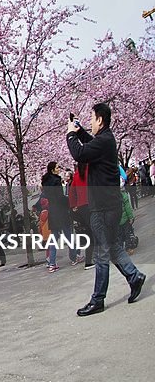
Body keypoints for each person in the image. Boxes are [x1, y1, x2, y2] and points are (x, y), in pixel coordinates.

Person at [67, 104, 145, 316]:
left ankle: (98, 300)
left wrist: (70, 135)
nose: (91, 121)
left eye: (92, 118)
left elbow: (80, 153)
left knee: (102, 251)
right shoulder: (105, 140)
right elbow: (91, 144)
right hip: (107, 206)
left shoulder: (105, 140)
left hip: (103, 208)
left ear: (100, 120)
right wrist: (80, 130)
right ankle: (134, 276)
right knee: (110, 247)